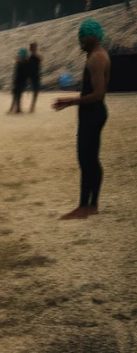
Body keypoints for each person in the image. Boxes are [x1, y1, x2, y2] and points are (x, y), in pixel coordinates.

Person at [51, 19, 111, 220]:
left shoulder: (96, 58)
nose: (80, 42)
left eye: (82, 37)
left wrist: (69, 101)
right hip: (93, 113)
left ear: (92, 36)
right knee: (91, 159)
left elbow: (98, 93)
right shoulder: (98, 55)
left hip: (93, 113)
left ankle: (84, 207)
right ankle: (92, 205)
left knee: (86, 160)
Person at [9, 48, 29, 114]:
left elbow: (23, 74)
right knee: (16, 95)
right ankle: (14, 109)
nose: (18, 57)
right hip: (17, 81)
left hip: (20, 81)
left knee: (17, 95)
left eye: (19, 56)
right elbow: (16, 73)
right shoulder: (20, 63)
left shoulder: (24, 64)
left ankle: (16, 109)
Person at [26, 42, 43, 113]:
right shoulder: (30, 58)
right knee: (35, 91)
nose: (35, 49)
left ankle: (32, 106)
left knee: (36, 91)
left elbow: (41, 59)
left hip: (35, 75)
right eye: (33, 47)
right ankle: (32, 107)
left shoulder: (35, 57)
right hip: (32, 76)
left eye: (35, 47)